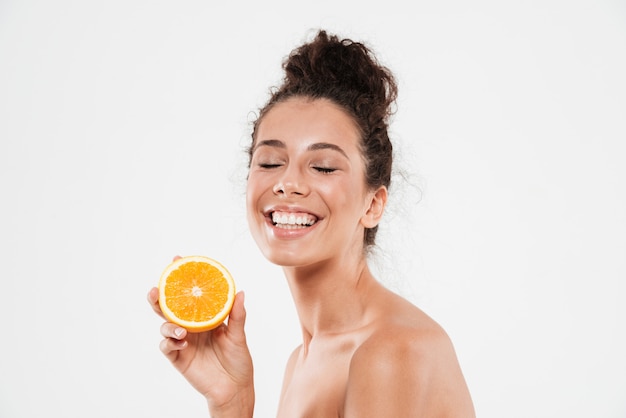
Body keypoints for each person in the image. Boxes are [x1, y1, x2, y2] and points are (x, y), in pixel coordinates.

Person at [148, 29, 475, 417]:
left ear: (373, 204)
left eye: (322, 166)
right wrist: (231, 402)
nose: (287, 182)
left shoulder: (390, 351)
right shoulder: (303, 361)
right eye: (270, 162)